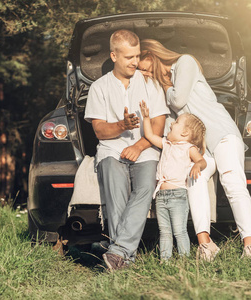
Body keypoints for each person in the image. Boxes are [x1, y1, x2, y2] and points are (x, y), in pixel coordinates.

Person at [138, 39, 251, 261]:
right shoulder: (160, 84)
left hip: (221, 134)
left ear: (151, 55)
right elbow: (169, 124)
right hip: (201, 149)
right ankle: (206, 244)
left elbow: (178, 100)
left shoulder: (185, 63)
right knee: (193, 179)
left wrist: (164, 83)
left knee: (232, 183)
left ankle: (250, 246)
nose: (142, 71)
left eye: (142, 65)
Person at [84, 30, 170, 271]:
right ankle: (124, 258)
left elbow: (160, 126)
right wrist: (123, 126)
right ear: (114, 55)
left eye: (137, 56)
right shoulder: (99, 88)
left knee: (144, 188)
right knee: (116, 191)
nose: (135, 62)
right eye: (128, 57)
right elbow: (100, 131)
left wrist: (138, 145)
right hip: (111, 150)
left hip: (146, 150)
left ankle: (117, 251)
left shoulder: (151, 84)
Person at [140, 100, 207, 260]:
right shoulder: (166, 143)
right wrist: (146, 118)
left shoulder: (188, 148)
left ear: (185, 133)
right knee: (164, 232)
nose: (171, 124)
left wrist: (197, 165)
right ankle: (165, 262)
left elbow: (202, 161)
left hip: (177, 196)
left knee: (179, 231)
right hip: (161, 197)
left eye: (176, 122)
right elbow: (149, 135)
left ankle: (184, 261)